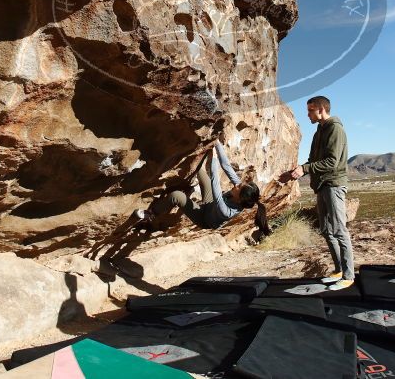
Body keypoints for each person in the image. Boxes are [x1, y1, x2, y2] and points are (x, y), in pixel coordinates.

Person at [282, 95, 353, 291]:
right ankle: (339, 270)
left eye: (310, 111)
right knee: (326, 230)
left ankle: (349, 275)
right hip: (322, 185)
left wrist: (305, 169)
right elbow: (313, 159)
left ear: (321, 110)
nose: (308, 115)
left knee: (339, 230)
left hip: (334, 184)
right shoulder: (318, 132)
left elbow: (333, 162)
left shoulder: (335, 129)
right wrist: (297, 171)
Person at [134, 141, 270, 234]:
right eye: (239, 184)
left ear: (240, 199)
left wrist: (213, 158)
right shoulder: (239, 192)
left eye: (238, 187)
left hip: (204, 218)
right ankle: (191, 188)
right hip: (210, 203)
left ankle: (150, 215)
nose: (236, 184)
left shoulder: (226, 211)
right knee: (199, 171)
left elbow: (215, 183)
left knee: (177, 196)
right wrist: (217, 144)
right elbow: (227, 167)